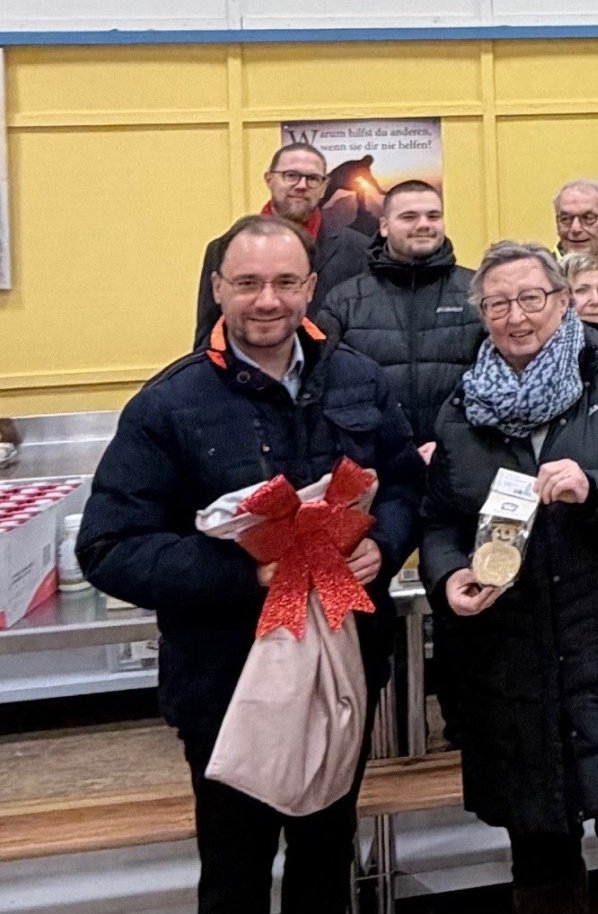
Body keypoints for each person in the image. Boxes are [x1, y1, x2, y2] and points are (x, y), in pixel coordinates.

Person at [80, 214, 423, 914]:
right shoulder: (168, 405)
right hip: (226, 682)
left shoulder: (358, 379)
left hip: (342, 669)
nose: (267, 300)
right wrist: (244, 573)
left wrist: (381, 545)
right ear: (218, 289)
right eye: (248, 283)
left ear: (311, 287)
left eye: (285, 282)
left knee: (325, 859)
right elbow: (108, 548)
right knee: (236, 872)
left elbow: (407, 484)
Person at [420, 242, 598, 914]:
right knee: (540, 849)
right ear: (481, 314)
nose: (516, 317)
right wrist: (450, 575)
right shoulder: (462, 408)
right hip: (512, 667)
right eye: (498, 303)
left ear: (562, 300)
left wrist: (596, 487)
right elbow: (437, 521)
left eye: (530, 299)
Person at [312, 180, 482, 461]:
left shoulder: (478, 291)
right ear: (384, 226)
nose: (424, 224)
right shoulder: (345, 300)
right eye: (409, 217)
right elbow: (324, 387)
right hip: (376, 466)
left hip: (461, 460)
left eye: (433, 216)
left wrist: (458, 441)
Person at [194, 143, 372, 348]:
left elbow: (366, 333)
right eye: (291, 175)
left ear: (324, 187)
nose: (301, 185)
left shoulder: (358, 249)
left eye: (313, 178)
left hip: (336, 375)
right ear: (269, 180)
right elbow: (208, 337)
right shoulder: (223, 249)